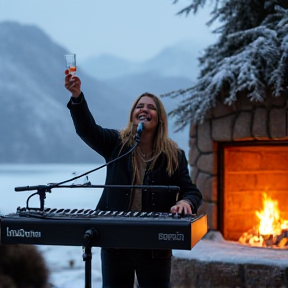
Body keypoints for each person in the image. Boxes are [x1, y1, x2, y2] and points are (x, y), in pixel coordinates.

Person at [64, 70, 203, 288]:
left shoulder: (174, 154)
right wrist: (77, 97)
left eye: (151, 107)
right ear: (132, 115)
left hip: (155, 246)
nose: (144, 110)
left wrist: (184, 202)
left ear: (159, 119)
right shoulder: (115, 143)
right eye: (140, 106)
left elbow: (191, 191)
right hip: (115, 243)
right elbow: (87, 130)